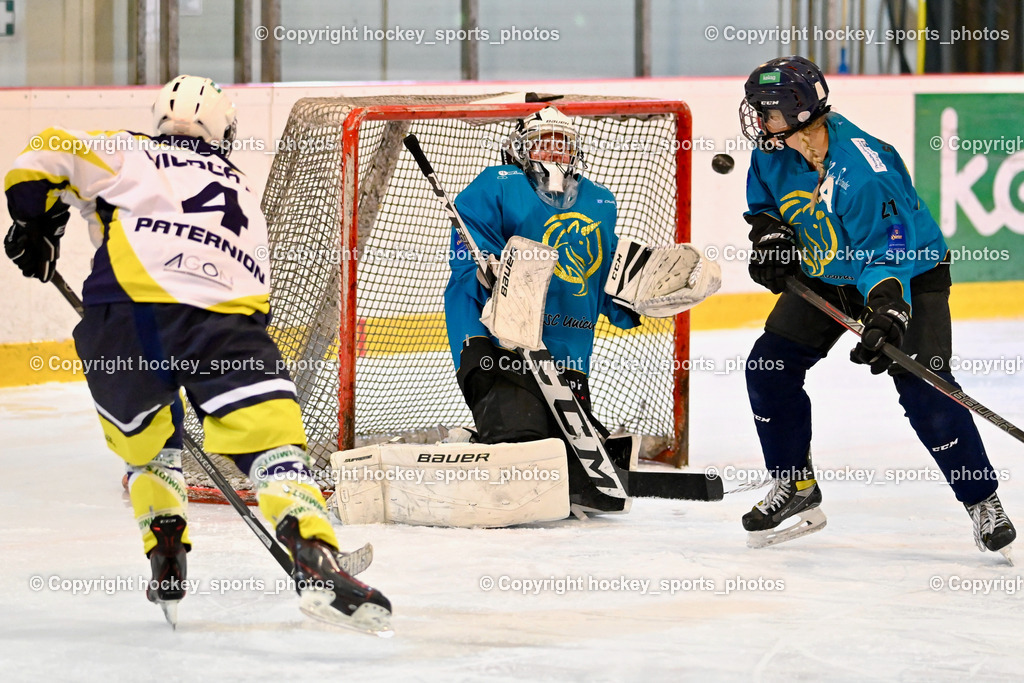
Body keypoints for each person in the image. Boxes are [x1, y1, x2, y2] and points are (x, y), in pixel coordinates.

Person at [3, 75, 391, 630]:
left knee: (149, 449)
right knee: (274, 448)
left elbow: (42, 155)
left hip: (125, 319)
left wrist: (35, 221)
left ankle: (165, 549)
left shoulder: (127, 149)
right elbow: (254, 285)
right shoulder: (241, 188)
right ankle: (315, 556)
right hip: (225, 325)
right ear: (223, 133)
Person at [737, 55, 1015, 560]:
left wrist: (888, 310)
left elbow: (889, 253)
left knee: (925, 387)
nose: (758, 120)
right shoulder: (772, 151)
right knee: (769, 367)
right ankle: (795, 484)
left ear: (797, 112)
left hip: (907, 274)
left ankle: (982, 501)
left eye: (766, 111)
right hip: (828, 272)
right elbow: (764, 206)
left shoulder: (865, 173)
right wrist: (771, 235)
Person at [443, 106, 720, 515]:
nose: (554, 153)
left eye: (563, 144)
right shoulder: (497, 184)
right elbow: (467, 252)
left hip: (565, 350)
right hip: (494, 340)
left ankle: (480, 442)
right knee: (522, 443)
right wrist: (490, 268)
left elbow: (602, 273)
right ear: (519, 150)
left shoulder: (599, 200)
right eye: (543, 144)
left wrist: (640, 291)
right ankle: (474, 447)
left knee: (583, 473)